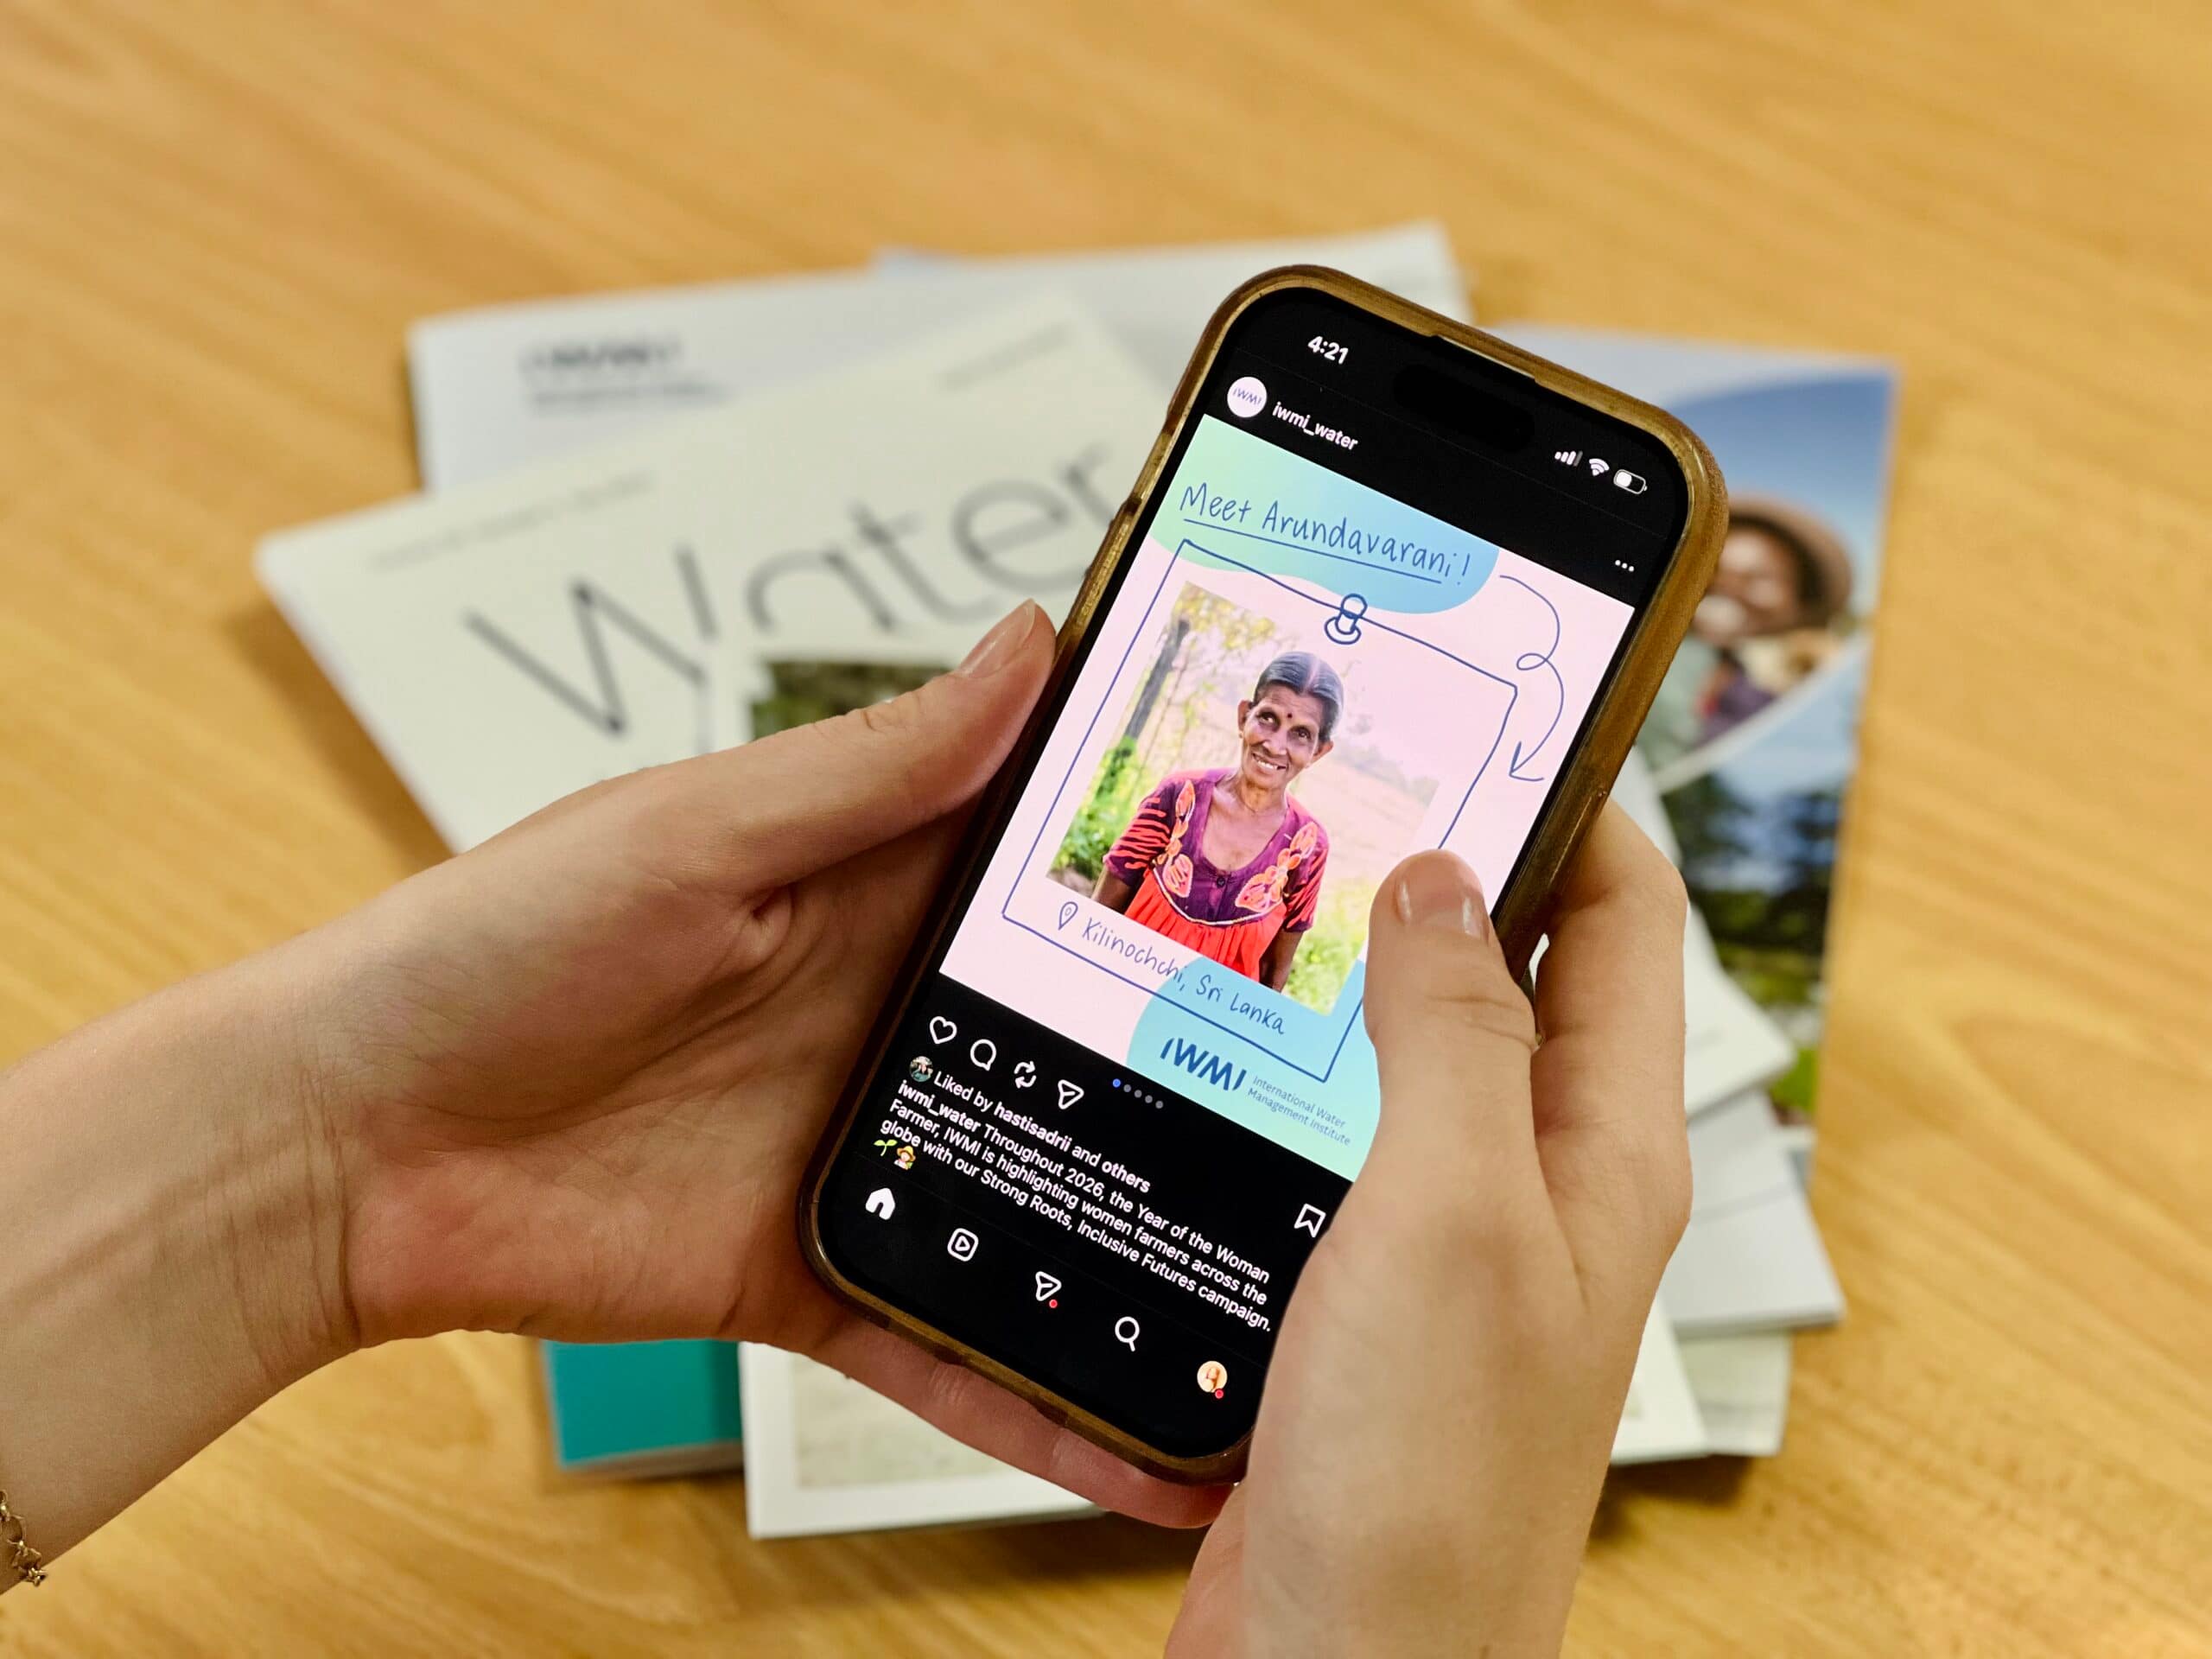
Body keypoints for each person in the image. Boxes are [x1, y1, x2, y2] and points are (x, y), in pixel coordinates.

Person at [0, 604, 1691, 1655]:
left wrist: (321, 1158)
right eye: (1260, 712)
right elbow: (1108, 909)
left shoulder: (1316, 861)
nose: (1270, 738)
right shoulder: (1170, 802)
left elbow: (1266, 970)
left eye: (1300, 730)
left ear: (1320, 753)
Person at [1093, 651, 1344, 992]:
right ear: (1244, 717)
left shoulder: (1307, 845)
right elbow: (1101, 913)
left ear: (1318, 751)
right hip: (1117, 987)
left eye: (1301, 734)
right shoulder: (1178, 796)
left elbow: (1271, 976)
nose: (1275, 744)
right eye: (1268, 718)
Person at [1640, 497, 1856, 770]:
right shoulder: (1622, 643)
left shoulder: (1764, 715)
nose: (1729, 585)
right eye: (1716, 565)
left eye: (1761, 578)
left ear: (1796, 608)